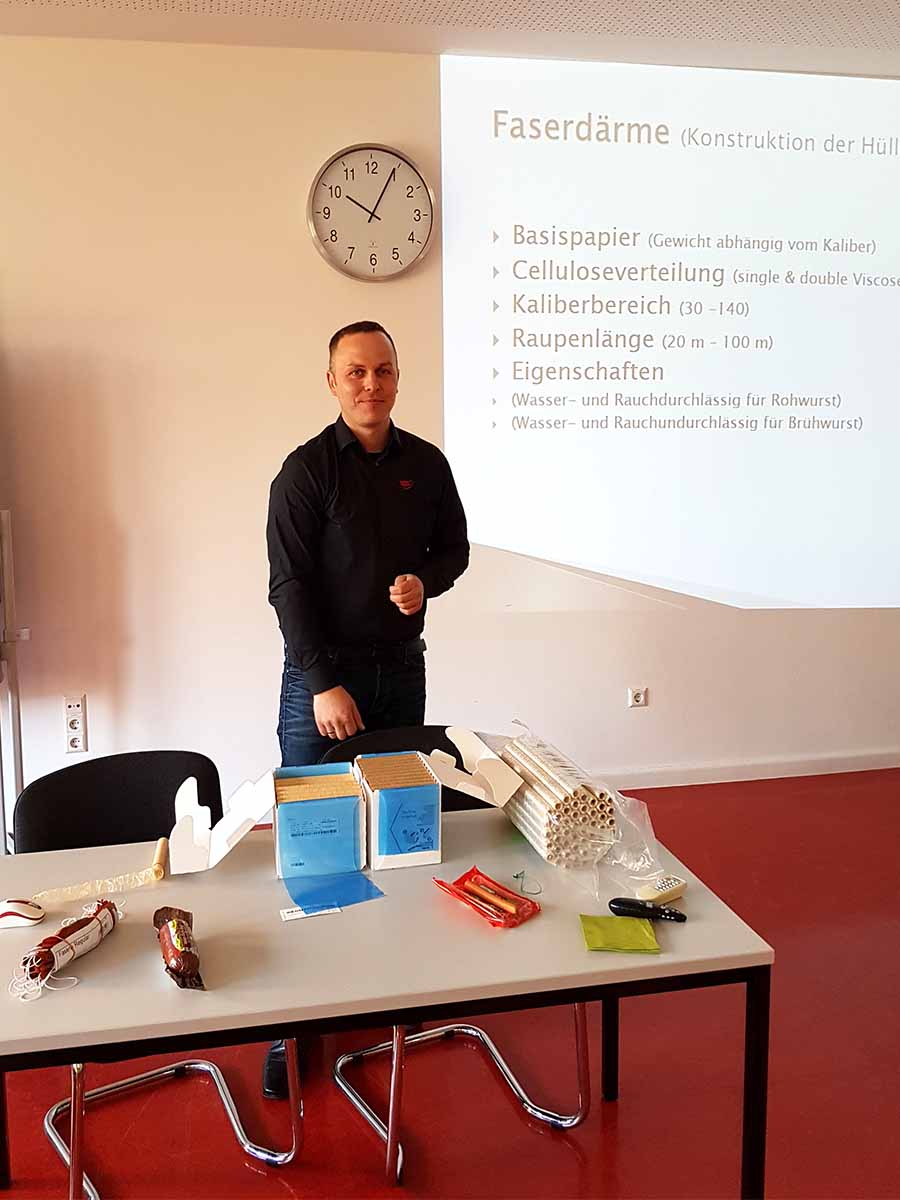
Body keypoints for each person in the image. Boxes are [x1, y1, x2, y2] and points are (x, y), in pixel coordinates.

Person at [262, 320, 469, 1097]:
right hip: (323, 681)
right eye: (355, 372)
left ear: (397, 377)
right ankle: (291, 1027)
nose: (370, 384)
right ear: (332, 382)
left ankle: (389, 990)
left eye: (382, 370)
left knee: (398, 838)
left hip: (400, 675)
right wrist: (323, 683)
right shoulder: (305, 472)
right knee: (313, 849)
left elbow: (453, 550)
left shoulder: (427, 465)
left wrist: (426, 584)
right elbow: (288, 587)